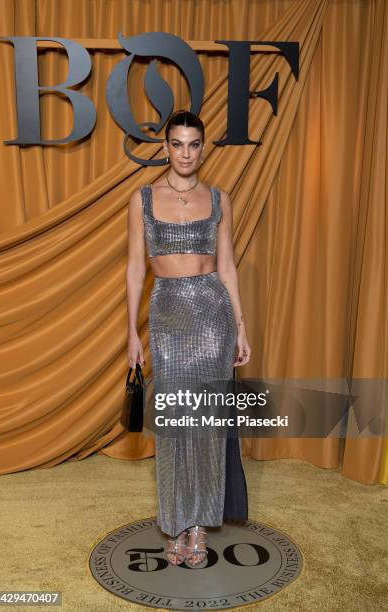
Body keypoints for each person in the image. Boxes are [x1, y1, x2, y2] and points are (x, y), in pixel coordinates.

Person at [126, 109, 251, 568]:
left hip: (213, 315)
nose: (185, 153)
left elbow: (228, 265)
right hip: (167, 313)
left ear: (203, 148)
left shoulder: (219, 198)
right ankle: (176, 520)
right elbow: (136, 267)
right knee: (176, 421)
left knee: (207, 425)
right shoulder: (142, 199)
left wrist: (240, 325)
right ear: (165, 147)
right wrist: (130, 333)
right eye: (177, 144)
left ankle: (198, 525)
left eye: (193, 144)